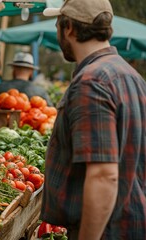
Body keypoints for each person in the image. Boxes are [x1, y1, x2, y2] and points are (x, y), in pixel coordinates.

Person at [41, 0, 146, 239]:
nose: (57, 29)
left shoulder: (92, 82)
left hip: (109, 230)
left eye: (58, 23)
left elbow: (103, 175)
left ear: (68, 28)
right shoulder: (131, 75)